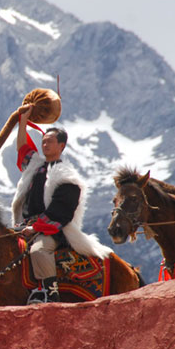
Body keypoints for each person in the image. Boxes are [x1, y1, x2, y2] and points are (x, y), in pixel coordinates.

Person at [11, 105, 112, 304]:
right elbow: (22, 148)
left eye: (50, 142)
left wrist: (35, 228)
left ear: (61, 146)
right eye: (43, 141)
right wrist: (22, 121)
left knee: (39, 250)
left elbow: (61, 213)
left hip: (54, 231)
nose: (45, 145)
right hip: (26, 226)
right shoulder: (35, 167)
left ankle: (50, 293)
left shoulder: (67, 178)